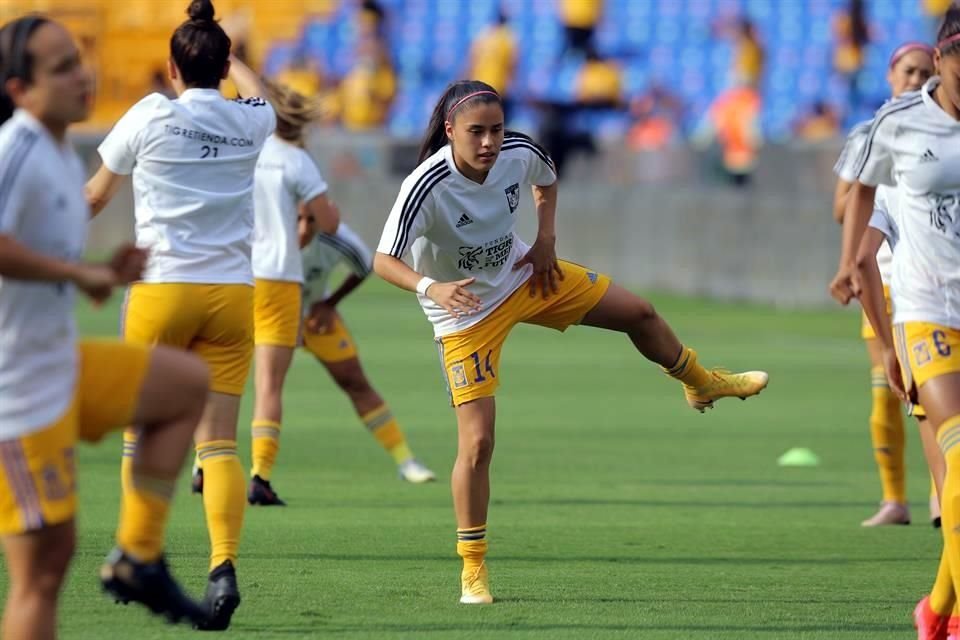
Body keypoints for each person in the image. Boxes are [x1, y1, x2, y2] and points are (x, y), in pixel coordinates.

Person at [373, 79, 769, 605]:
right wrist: (432, 286)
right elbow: (383, 260)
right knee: (478, 444)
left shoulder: (518, 150)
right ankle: (473, 569)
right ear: (450, 131)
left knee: (640, 313)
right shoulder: (425, 186)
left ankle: (701, 382)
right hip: (463, 313)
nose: (490, 142)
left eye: (495, 129)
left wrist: (545, 240)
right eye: (476, 132)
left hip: (523, 274)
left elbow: (547, 179)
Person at [0, 14, 211, 636]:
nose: (81, 74)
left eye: (79, 58)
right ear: (20, 89)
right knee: (40, 576)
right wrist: (85, 276)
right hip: (16, 392)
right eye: (61, 66)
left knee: (183, 385)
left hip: (56, 364)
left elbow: (39, 264)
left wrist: (101, 272)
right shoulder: (17, 148)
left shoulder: (63, 156)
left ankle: (138, 556)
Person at [84, 0, 276, 630]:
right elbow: (265, 96)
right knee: (218, 441)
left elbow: (93, 196)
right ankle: (223, 566)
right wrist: (235, 59)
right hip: (230, 296)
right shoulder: (250, 122)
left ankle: (136, 551)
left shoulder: (149, 114)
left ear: (169, 67)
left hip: (162, 290)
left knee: (142, 433)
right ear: (224, 66)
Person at [829, 7, 960, 636]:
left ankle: (936, 608)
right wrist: (853, 268)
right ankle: (899, 502)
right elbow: (854, 200)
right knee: (956, 452)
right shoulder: (896, 128)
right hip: (922, 307)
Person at [831, 41, 935, 528]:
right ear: (891, 74)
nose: (915, 80)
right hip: (885, 278)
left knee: (932, 395)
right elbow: (841, 210)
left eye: (924, 72)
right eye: (908, 71)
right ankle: (895, 499)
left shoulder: (942, 131)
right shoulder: (870, 133)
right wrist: (872, 168)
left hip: (933, 278)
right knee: (890, 389)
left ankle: (941, 495)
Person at [230, 79, 340, 505]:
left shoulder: (241, 146)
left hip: (234, 274)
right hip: (279, 277)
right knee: (269, 385)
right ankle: (260, 475)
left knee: (222, 376)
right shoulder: (296, 160)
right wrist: (314, 223)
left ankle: (207, 464)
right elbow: (327, 223)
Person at [299, 209, 437, 483]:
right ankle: (211, 463)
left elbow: (366, 265)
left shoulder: (335, 239)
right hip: (264, 315)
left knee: (355, 381)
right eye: (297, 219)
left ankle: (406, 460)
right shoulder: (261, 232)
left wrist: (329, 304)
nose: (303, 228)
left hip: (314, 318)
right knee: (236, 382)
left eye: (311, 219)